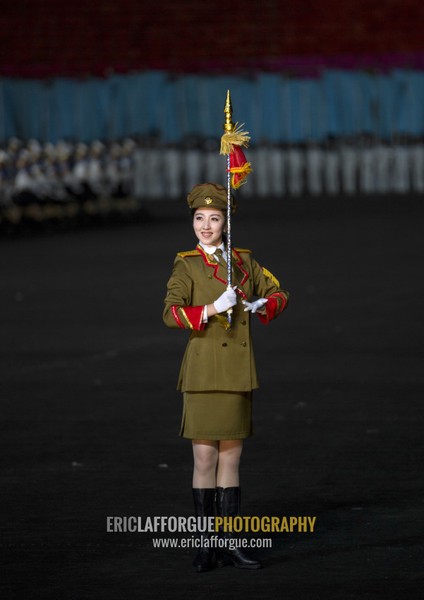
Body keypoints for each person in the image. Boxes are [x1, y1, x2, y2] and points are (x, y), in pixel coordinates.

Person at [163, 183, 290, 572]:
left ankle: (230, 543)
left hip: (235, 371)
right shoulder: (186, 264)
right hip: (203, 373)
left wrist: (261, 302)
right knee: (204, 458)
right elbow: (171, 313)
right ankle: (205, 546)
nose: (206, 225)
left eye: (214, 218)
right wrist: (213, 307)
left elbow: (280, 293)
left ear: (225, 222)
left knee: (231, 459)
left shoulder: (244, 261)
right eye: (199, 218)